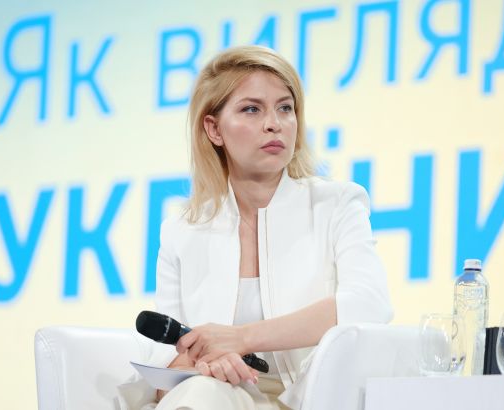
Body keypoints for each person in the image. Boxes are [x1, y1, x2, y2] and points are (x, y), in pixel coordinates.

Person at [120, 45, 393, 410]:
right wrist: (202, 364)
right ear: (214, 129)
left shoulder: (337, 204)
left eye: (285, 108)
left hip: (312, 398)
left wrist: (240, 339)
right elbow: (165, 359)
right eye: (252, 109)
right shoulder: (181, 230)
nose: (274, 123)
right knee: (201, 393)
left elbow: (368, 304)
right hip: (215, 393)